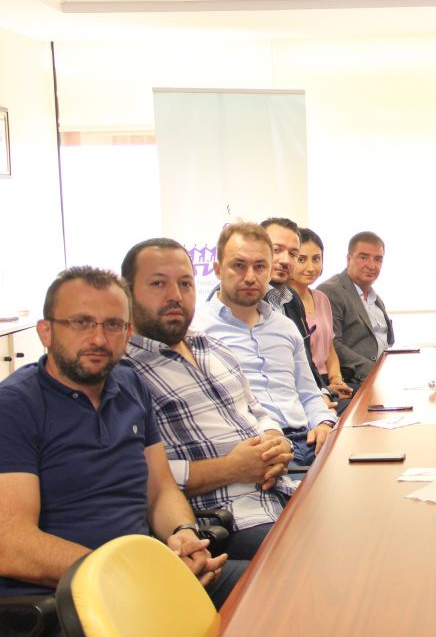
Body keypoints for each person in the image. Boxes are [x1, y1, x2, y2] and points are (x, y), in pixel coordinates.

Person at [0, 267, 241, 607]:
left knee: (279, 587)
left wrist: (184, 533)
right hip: (72, 597)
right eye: (81, 323)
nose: (99, 339)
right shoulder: (14, 406)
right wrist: (126, 573)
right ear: (46, 331)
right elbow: (12, 546)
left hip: (147, 576)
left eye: (113, 325)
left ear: (128, 334)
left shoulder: (131, 385)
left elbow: (160, 490)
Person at [121, 239, 297, 559]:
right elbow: (141, 479)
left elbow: (257, 411)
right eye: (158, 283)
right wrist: (231, 468)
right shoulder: (123, 374)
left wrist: (276, 442)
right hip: (229, 522)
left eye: (185, 283)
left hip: (284, 492)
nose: (175, 295)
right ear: (127, 292)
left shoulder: (213, 347)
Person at [192, 222, 336, 466]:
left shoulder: (285, 326)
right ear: (217, 269)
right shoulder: (196, 330)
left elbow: (309, 393)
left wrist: (324, 422)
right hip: (254, 447)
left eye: (260, 267)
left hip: (308, 440)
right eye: (239, 265)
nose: (250, 277)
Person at [317, 231, 394, 389]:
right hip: (354, 381)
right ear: (349, 259)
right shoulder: (331, 291)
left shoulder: (375, 298)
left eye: (378, 259)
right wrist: (375, 372)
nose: (371, 266)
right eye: (363, 257)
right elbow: (332, 345)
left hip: (384, 376)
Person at [289, 227, 350, 398]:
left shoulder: (322, 298)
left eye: (316, 259)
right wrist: (325, 390)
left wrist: (336, 379)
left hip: (326, 381)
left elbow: (329, 348)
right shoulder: (283, 302)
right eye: (301, 259)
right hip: (304, 386)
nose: (311, 267)